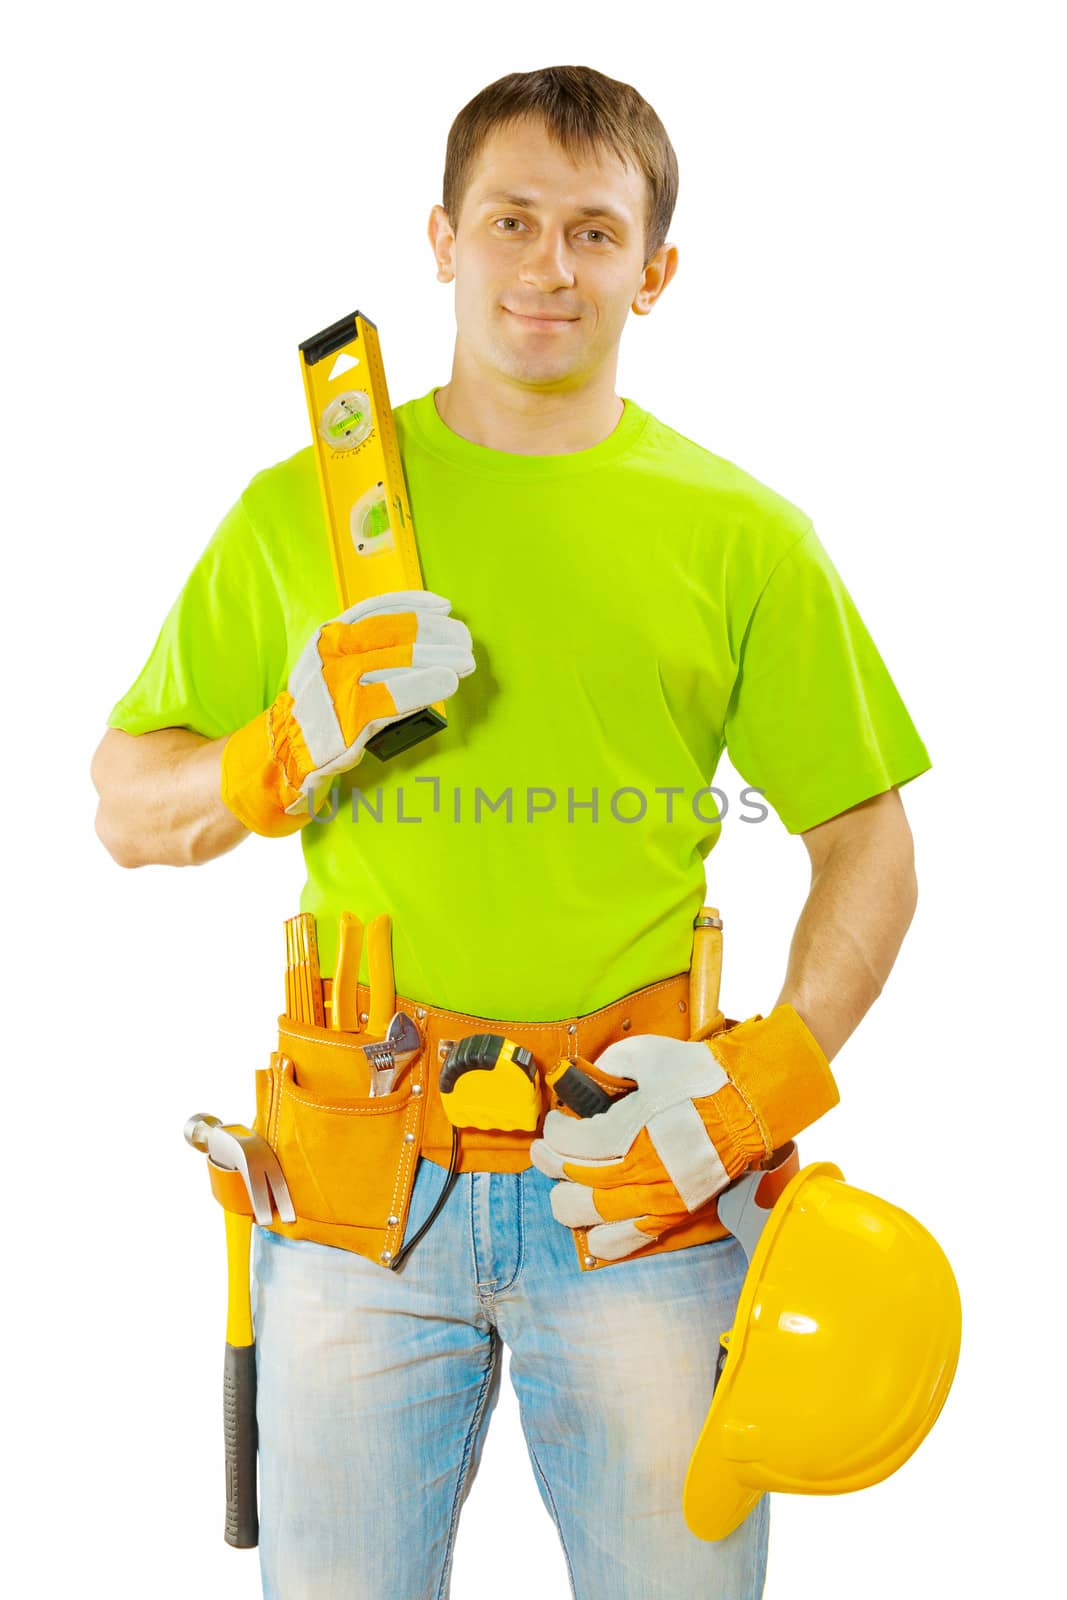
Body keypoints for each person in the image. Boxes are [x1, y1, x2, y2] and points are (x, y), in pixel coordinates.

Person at [91, 63, 930, 1600]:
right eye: (513, 221)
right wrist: (281, 750)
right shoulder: (308, 517)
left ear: (654, 272)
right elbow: (125, 805)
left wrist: (772, 1080)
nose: (549, 267)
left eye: (595, 234)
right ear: (443, 237)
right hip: (358, 1200)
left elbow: (867, 842)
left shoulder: (740, 535)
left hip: (643, 1190)